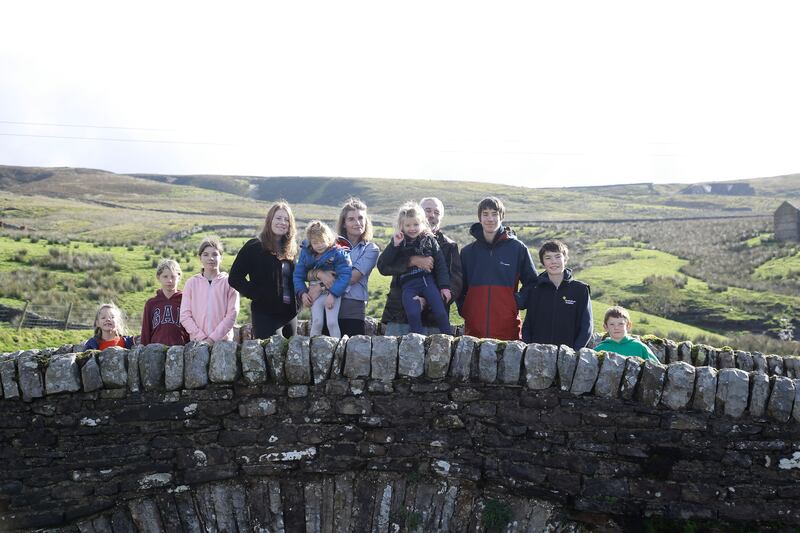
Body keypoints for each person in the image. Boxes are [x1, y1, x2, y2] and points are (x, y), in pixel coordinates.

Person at [380, 197, 462, 335]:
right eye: (428, 210)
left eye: (436, 212)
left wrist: (427, 301)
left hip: (433, 321)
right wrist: (411, 261)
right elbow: (383, 266)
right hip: (400, 317)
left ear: (441, 217)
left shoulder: (449, 246)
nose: (432, 215)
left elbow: (455, 283)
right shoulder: (399, 241)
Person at [457, 196, 537, 340]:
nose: (490, 219)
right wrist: (466, 308)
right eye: (485, 214)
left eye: (495, 214)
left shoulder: (518, 249)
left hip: (508, 330)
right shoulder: (467, 252)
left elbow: (532, 283)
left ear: (502, 217)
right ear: (479, 218)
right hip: (474, 331)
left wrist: (516, 302)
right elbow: (459, 286)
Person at [229, 202, 299, 339]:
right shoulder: (254, 246)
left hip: (290, 314)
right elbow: (235, 278)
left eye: (286, 220)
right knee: (272, 356)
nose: (282, 222)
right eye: (278, 218)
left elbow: (296, 278)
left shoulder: (291, 249)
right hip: (265, 314)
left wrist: (298, 302)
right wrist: (258, 295)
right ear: (270, 220)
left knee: (291, 357)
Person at [312, 198, 379, 336]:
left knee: (351, 355)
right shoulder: (329, 246)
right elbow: (311, 269)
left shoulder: (371, 249)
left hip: (352, 308)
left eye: (361, 218)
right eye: (351, 219)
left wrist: (320, 286)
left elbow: (353, 277)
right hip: (327, 305)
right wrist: (320, 275)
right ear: (344, 223)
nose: (357, 223)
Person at [522, 240, 592, 350]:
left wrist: (574, 352)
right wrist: (530, 349)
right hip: (538, 354)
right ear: (543, 262)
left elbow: (586, 326)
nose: (553, 261)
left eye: (558, 256)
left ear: (565, 259)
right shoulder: (535, 289)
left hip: (569, 356)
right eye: (548, 258)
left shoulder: (580, 290)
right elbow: (528, 325)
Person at [294, 220, 352, 337]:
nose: (319, 245)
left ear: (329, 239)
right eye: (315, 243)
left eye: (322, 241)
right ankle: (312, 347)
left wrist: (333, 294)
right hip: (314, 293)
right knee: (316, 322)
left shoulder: (338, 253)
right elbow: (298, 275)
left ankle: (337, 349)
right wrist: (303, 293)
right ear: (310, 242)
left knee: (332, 322)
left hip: (333, 290)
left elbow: (345, 275)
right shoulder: (306, 253)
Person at [180, 236, 240, 344]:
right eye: (206, 254)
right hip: (197, 342)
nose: (210, 258)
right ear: (200, 258)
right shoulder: (191, 283)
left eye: (215, 254)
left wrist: (212, 338)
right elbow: (185, 315)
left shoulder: (230, 283)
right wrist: (201, 337)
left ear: (221, 257)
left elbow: (232, 314)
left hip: (223, 343)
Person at [140, 259, 189, 346]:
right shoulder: (151, 303)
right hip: (155, 350)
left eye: (173, 277)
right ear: (159, 277)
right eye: (165, 276)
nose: (169, 280)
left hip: (180, 349)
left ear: (179, 277)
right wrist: (143, 348)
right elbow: (146, 331)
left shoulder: (185, 301)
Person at [594, 306, 658, 361]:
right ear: (606, 327)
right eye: (612, 324)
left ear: (628, 325)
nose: (616, 328)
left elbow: (657, 369)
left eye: (621, 324)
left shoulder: (640, 347)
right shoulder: (600, 350)